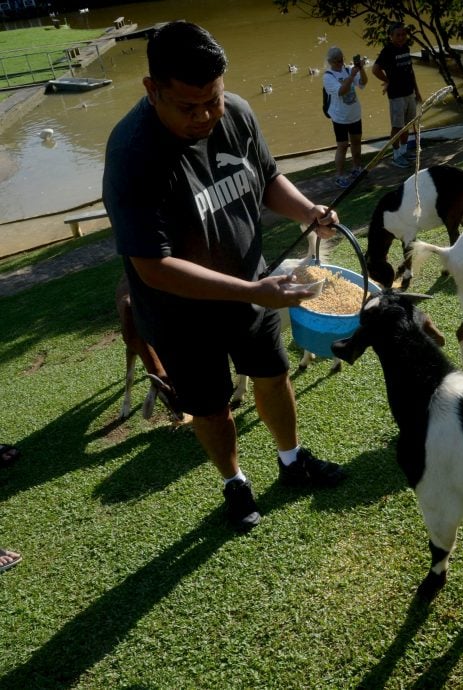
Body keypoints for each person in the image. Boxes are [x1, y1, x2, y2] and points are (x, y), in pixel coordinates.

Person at [102, 21, 347, 532]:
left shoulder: (235, 111)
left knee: (273, 376)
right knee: (211, 408)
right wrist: (253, 290)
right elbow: (153, 266)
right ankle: (234, 481)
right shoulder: (132, 154)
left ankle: (291, 458)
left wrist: (308, 213)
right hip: (180, 313)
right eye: (188, 107)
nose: (206, 116)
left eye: (211, 99)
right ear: (152, 90)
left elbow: (267, 177)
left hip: (253, 286)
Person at [372, 22, 422, 169]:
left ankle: (403, 151)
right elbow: (375, 69)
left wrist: (417, 91)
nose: (401, 37)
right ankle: (396, 155)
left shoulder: (406, 48)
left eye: (403, 35)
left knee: (407, 124)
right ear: (391, 36)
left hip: (409, 93)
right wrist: (388, 80)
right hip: (396, 95)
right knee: (397, 126)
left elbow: (410, 71)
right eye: (398, 35)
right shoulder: (387, 51)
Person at [323, 46, 367, 189]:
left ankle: (357, 168)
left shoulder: (348, 69)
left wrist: (361, 69)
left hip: (354, 114)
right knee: (342, 146)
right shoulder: (328, 76)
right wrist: (352, 76)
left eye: (342, 60)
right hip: (340, 117)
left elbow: (363, 83)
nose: (341, 63)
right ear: (331, 62)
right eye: (338, 61)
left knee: (356, 142)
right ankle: (340, 176)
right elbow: (341, 91)